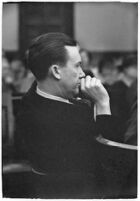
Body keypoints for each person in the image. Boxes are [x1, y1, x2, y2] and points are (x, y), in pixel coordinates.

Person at [15, 33, 125, 198]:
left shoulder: (31, 98)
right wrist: (102, 103)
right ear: (56, 71)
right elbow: (115, 164)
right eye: (77, 66)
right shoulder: (65, 120)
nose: (82, 73)